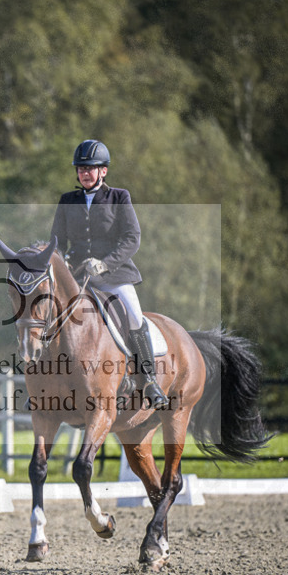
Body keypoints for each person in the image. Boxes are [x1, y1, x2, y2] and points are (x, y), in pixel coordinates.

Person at [49, 139, 168, 410]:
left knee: (134, 316)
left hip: (115, 276)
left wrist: (105, 264)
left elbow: (132, 238)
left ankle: (149, 379)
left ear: (103, 171)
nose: (84, 173)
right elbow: (57, 239)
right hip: (78, 277)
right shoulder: (68, 201)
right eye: (80, 169)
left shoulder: (119, 197)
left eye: (90, 169)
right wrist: (61, 263)